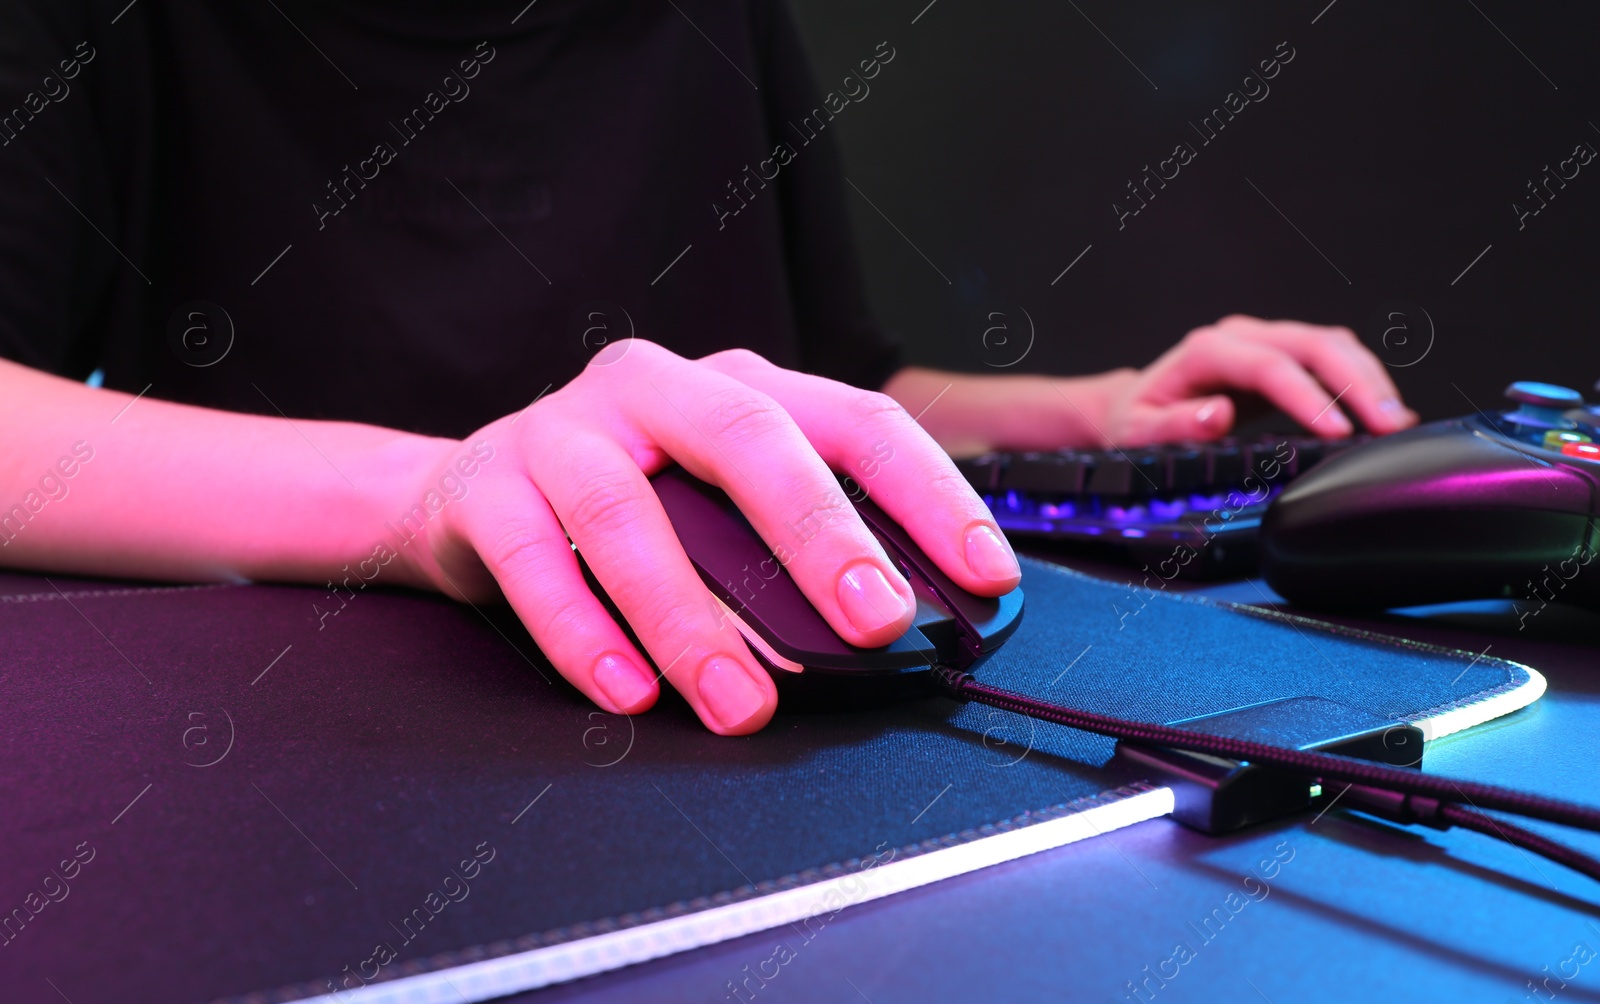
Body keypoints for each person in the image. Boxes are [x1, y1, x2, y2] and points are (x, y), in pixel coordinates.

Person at [0, 1, 1416, 737]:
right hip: (320, 729)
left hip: (750, 731)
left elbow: (823, 387)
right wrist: (438, 497)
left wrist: (1100, 414)